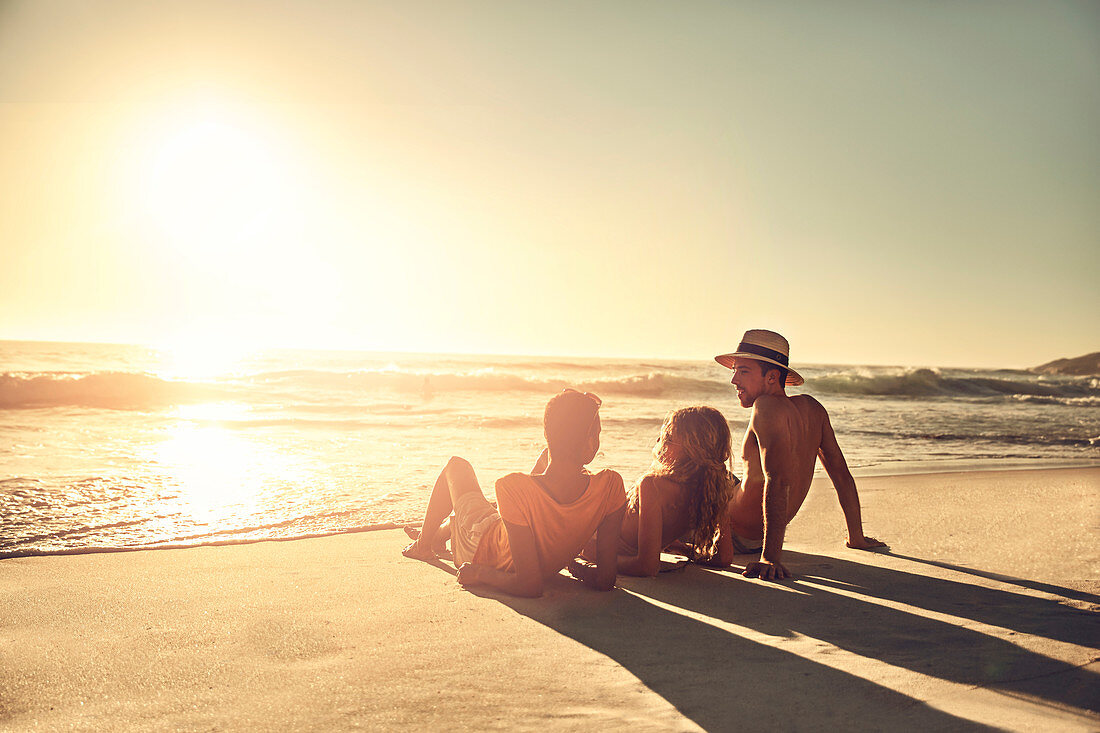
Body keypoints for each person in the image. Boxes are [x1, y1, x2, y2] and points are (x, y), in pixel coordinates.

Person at [401, 389, 626, 597]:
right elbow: (606, 580)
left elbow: (529, 585)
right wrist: (576, 567)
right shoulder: (610, 487)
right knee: (490, 513)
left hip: (479, 551)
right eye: (597, 435)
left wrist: (479, 574)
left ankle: (423, 546)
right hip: (510, 542)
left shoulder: (512, 487)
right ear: (589, 445)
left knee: (456, 466)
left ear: (548, 436)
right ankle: (439, 535)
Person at [715, 329, 885, 581]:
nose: (734, 381)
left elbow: (778, 480)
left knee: (687, 471)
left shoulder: (766, 407)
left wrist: (770, 558)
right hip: (758, 534)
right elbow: (840, 473)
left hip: (734, 533)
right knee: (720, 471)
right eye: (734, 371)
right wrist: (856, 537)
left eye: (744, 371)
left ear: (772, 377)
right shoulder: (813, 410)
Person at [595, 406, 739, 576]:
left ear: (692, 450)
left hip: (596, 540)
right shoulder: (714, 487)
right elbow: (723, 558)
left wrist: (601, 560)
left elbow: (646, 567)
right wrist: (684, 549)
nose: (660, 440)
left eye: (669, 438)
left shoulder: (653, 485)